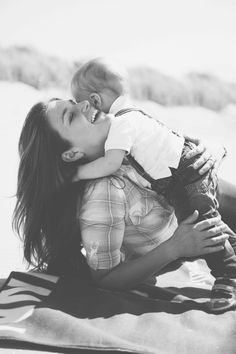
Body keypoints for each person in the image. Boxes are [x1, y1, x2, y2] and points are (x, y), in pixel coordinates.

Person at [13, 98, 236, 313]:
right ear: (72, 154)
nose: (84, 104)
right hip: (199, 230)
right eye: (71, 116)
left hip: (210, 198)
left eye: (74, 102)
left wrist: (208, 149)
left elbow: (179, 147)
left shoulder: (122, 140)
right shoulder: (102, 191)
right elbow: (106, 278)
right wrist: (174, 248)